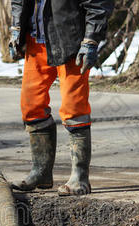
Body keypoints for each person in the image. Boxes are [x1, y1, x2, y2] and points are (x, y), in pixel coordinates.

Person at [9, 0, 113, 195]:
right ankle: (41, 172)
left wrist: (90, 40)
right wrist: (16, 27)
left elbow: (98, 4)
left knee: (74, 107)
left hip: (71, 42)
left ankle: (80, 177)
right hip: (36, 41)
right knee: (31, 106)